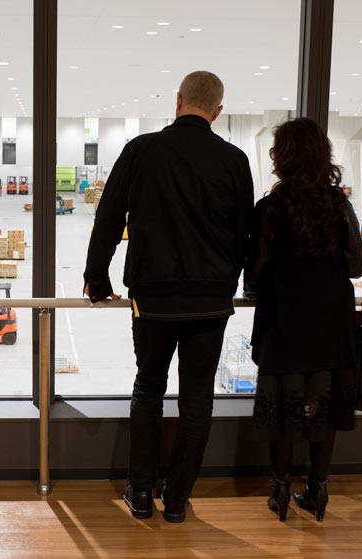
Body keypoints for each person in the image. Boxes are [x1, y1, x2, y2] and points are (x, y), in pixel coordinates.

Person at [83, 71, 254, 522]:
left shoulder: (141, 150)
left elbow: (107, 220)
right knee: (198, 398)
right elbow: (244, 234)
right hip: (212, 301)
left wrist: (96, 281)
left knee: (148, 388)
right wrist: (237, 282)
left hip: (152, 299)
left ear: (177, 100)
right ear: (217, 111)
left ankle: (140, 491)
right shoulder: (235, 160)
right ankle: (177, 500)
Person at [243, 117, 362, 523]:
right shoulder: (339, 204)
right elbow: (353, 266)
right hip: (332, 325)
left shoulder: (270, 208)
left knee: (283, 411)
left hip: (285, 324)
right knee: (322, 409)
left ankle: (280, 490)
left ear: (283, 158)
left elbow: (256, 273)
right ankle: (319, 489)